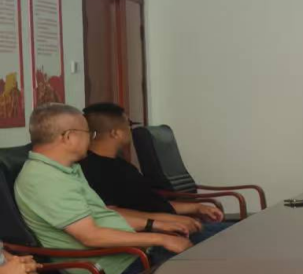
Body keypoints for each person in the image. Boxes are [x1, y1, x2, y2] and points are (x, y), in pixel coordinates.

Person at [14, 104, 191, 274]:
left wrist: (156, 225)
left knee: (202, 259)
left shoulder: (66, 169)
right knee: (199, 272)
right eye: (87, 133)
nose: (91, 138)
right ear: (68, 137)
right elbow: (90, 236)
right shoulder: (44, 180)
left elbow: (102, 215)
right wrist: (161, 239)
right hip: (113, 271)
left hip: (131, 256)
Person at [81, 103, 227, 240]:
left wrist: (197, 207)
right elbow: (108, 213)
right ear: (115, 133)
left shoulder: (121, 165)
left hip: (172, 226)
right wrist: (165, 221)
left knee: (234, 234)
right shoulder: (92, 169)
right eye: (128, 124)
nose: (131, 129)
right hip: (155, 235)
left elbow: (152, 203)